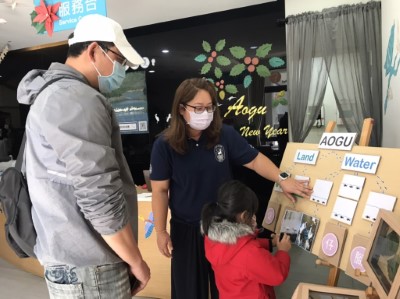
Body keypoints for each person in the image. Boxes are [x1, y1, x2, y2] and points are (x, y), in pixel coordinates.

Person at [16, 14, 150, 299]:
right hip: (91, 267)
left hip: (72, 262)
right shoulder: (76, 98)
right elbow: (99, 195)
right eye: (119, 60)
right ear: (93, 51)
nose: (122, 70)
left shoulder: (50, 95)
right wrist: (136, 260)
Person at [149, 77, 312, 299]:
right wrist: (160, 231)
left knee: (229, 289)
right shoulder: (164, 145)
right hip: (186, 228)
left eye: (209, 107)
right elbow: (160, 191)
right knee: (188, 290)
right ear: (181, 108)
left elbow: (254, 160)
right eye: (198, 108)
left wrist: (282, 178)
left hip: (224, 229)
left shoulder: (223, 134)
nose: (205, 113)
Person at [201, 180, 292, 299]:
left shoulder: (212, 238)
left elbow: (240, 246)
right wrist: (283, 252)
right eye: (252, 213)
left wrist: (270, 243)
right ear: (244, 216)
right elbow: (278, 275)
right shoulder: (249, 254)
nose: (254, 217)